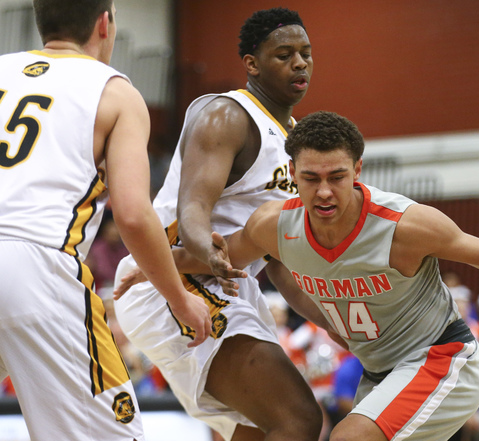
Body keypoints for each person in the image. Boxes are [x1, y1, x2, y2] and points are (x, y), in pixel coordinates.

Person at [199, 110, 479, 441]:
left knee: (349, 437)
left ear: (358, 170)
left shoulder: (406, 225)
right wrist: (148, 263)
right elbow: (220, 259)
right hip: (379, 371)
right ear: (293, 175)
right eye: (311, 178)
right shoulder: (275, 226)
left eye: (336, 177)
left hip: (441, 356)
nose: (324, 191)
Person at [113, 7, 332, 441]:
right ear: (252, 64)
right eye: (284, 54)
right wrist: (205, 249)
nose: (300, 63)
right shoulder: (228, 114)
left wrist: (334, 325)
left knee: (256, 430)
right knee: (298, 418)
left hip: (229, 283)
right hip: (173, 273)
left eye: (305, 53)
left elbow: (280, 264)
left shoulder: (295, 138)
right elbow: (192, 206)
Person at [0, 1, 211, 440]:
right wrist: (178, 297)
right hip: (37, 266)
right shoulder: (114, 90)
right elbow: (133, 214)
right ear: (105, 23)